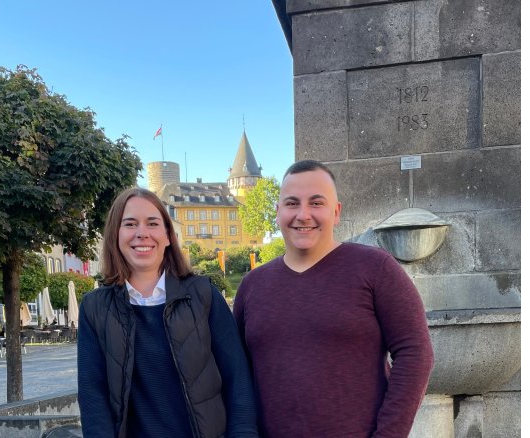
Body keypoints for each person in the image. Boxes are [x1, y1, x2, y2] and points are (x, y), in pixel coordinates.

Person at [233, 160, 434, 438]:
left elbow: (416, 353)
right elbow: (237, 372)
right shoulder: (252, 285)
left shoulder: (376, 268)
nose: (303, 215)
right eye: (292, 203)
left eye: (316, 203)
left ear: (336, 212)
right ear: (278, 212)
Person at [78, 187, 258, 438]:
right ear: (115, 235)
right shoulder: (94, 308)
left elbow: (237, 378)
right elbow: (92, 395)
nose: (142, 233)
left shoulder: (203, 295)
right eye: (130, 224)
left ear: (168, 236)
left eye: (152, 223)